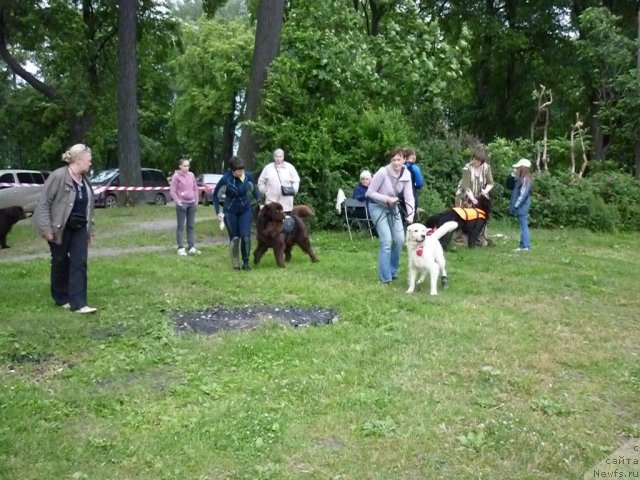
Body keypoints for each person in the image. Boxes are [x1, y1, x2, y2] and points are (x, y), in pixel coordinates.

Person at [33, 143, 97, 314]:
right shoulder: (58, 177)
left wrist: (89, 230)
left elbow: (89, 207)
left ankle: (79, 303)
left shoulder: (85, 181)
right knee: (60, 261)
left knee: (79, 262)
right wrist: (46, 229)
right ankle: (61, 297)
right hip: (59, 227)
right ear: (78, 160)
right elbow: (44, 204)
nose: (90, 163)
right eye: (88, 160)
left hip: (79, 228)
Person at [365, 147, 415, 284]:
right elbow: (369, 193)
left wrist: (411, 215)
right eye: (393, 160)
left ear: (404, 160)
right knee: (386, 240)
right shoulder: (383, 172)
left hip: (393, 207)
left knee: (399, 240)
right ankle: (385, 278)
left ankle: (392, 272)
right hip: (377, 206)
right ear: (390, 161)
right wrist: (385, 198)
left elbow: (409, 197)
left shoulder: (407, 175)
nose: (396, 163)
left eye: (399, 159)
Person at [212, 156, 261, 270]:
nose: (241, 172)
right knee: (235, 238)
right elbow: (215, 195)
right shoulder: (226, 179)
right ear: (232, 170)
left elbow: (254, 190)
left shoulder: (247, 176)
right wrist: (218, 211)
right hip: (230, 211)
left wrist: (260, 203)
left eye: (242, 170)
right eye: (238, 171)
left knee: (245, 236)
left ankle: (246, 262)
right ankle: (235, 264)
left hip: (245, 209)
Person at [169, 158, 199, 256]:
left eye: (188, 166)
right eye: (184, 166)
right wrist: (178, 202)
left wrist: (196, 201)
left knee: (190, 226)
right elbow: (172, 191)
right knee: (181, 226)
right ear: (180, 166)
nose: (186, 168)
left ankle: (191, 246)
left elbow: (195, 188)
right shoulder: (176, 176)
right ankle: (181, 247)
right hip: (182, 203)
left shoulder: (192, 175)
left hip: (192, 203)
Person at [257, 148, 300, 213]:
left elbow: (296, 180)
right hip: (271, 201)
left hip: (286, 201)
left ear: (283, 157)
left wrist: (294, 190)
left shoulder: (290, 167)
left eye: (280, 156)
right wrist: (264, 191)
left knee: (285, 219)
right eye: (277, 156)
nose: (278, 158)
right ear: (274, 157)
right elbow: (261, 181)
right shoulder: (268, 168)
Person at [508, 158, 533, 252]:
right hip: (521, 207)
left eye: (518, 167)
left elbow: (523, 195)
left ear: (523, 168)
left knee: (524, 226)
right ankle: (523, 245)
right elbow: (509, 186)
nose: (517, 169)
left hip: (522, 207)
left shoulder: (526, 180)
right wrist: (512, 175)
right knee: (523, 225)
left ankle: (526, 246)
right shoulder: (521, 179)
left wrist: (515, 206)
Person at [403, 148, 424, 216]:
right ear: (411, 156)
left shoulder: (399, 166)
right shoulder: (414, 167)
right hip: (411, 195)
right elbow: (420, 183)